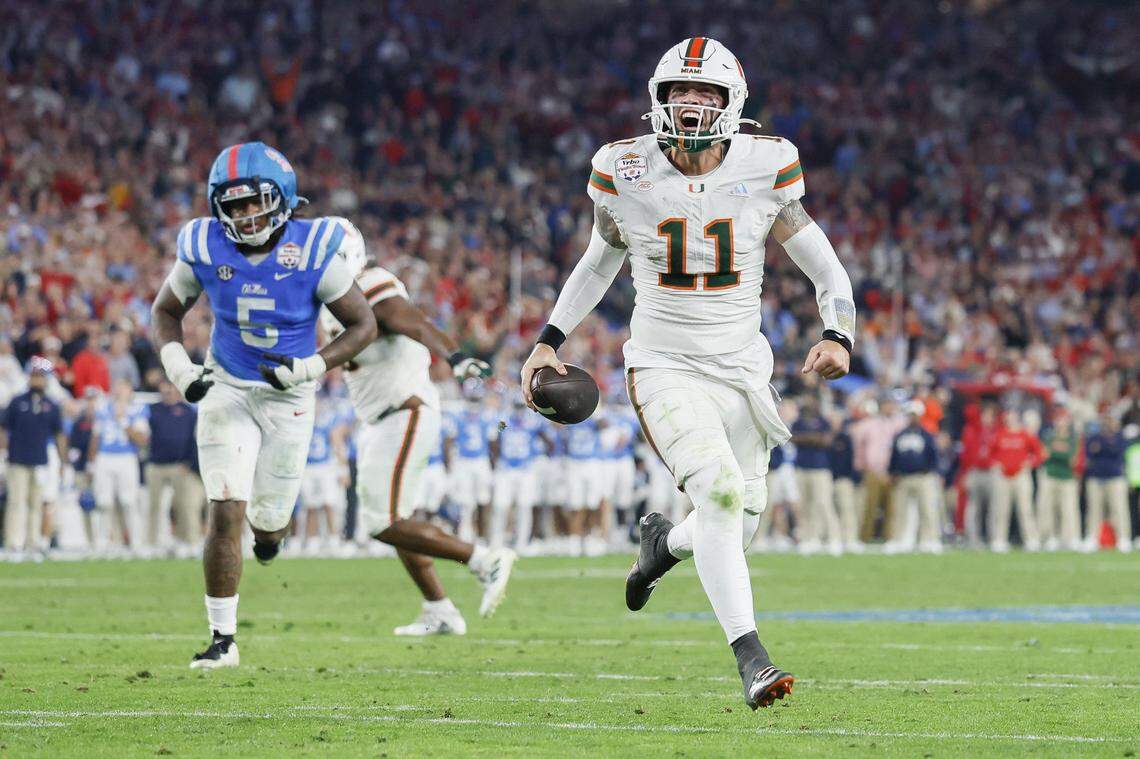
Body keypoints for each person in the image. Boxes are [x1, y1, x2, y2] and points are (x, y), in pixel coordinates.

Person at [519, 37, 855, 710]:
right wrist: (547, 341)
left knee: (741, 513)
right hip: (664, 363)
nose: (691, 104)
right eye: (679, 92)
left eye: (705, 93)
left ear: (732, 104)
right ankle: (752, 658)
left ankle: (661, 545)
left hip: (741, 369)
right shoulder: (624, 167)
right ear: (657, 99)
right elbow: (598, 259)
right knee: (723, 495)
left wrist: (837, 333)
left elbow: (822, 262)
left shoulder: (768, 165)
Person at [150, 142, 377, 668]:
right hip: (228, 386)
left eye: (255, 202)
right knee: (224, 507)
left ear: (282, 199)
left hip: (289, 395)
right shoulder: (204, 244)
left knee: (268, 525)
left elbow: (364, 324)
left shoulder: (317, 245)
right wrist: (179, 367)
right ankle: (222, 639)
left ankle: (270, 540)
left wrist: (312, 367)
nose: (245, 215)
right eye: (233, 206)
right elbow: (165, 310)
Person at [321, 224, 514, 637]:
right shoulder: (326, 301)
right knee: (396, 519)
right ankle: (439, 608)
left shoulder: (370, 282)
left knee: (382, 521)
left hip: (403, 411)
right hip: (380, 417)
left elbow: (410, 320)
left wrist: (456, 356)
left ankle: (483, 558)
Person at [1, 358, 67, 555]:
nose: (37, 380)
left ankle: (33, 541)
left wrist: (63, 461)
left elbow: (59, 435)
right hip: (17, 458)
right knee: (16, 501)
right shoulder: (17, 401)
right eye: (35, 376)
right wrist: (4, 451)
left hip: (40, 460)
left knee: (36, 503)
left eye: (41, 376)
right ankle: (14, 541)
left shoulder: (52, 405)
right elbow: (3, 429)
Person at [88, 379, 149, 553]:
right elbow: (95, 437)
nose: (121, 390)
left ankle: (136, 542)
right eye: (119, 386)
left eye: (125, 386)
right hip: (104, 457)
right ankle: (101, 542)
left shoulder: (138, 409)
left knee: (129, 501)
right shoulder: (103, 407)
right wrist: (91, 463)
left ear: (131, 390)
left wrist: (123, 420)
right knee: (103, 502)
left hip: (126, 457)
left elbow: (141, 439)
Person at [145, 380, 205, 554]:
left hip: (180, 466)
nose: (167, 389)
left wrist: (188, 462)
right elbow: (145, 434)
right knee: (154, 505)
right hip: (156, 464)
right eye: (164, 386)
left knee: (184, 505)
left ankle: (188, 542)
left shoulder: (188, 411)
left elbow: (193, 439)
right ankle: (151, 542)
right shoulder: (152, 409)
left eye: (170, 386)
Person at [886, 401, 941, 553]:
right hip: (903, 478)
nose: (912, 418)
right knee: (899, 510)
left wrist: (933, 472)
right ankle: (897, 539)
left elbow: (933, 457)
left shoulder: (927, 436)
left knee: (928, 510)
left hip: (923, 477)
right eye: (910, 415)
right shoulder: (900, 436)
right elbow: (894, 457)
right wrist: (892, 472)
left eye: (914, 415)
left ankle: (930, 539)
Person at [988, 409, 1045, 552]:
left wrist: (1030, 463)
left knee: (1025, 509)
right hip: (1003, 476)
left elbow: (1040, 453)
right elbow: (989, 453)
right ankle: (999, 539)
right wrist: (995, 463)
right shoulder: (999, 434)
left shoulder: (1025, 435)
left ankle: (1031, 539)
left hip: (1021, 475)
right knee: (1001, 509)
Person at [791, 395, 840, 555]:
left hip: (820, 469)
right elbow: (792, 438)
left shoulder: (823, 421)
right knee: (804, 505)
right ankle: (808, 539)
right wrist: (813, 438)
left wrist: (808, 439)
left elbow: (826, 441)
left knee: (824, 503)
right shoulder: (798, 422)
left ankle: (834, 539)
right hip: (802, 468)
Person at [852, 398, 905, 543]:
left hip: (892, 472)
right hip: (872, 470)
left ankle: (890, 538)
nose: (890, 408)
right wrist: (861, 466)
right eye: (887, 405)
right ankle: (863, 538)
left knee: (892, 508)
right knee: (869, 506)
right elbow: (859, 448)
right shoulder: (868, 424)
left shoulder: (899, 424)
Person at [1083, 414, 1130, 552]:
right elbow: (1090, 453)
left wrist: (1102, 448)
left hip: (1115, 477)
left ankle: (1123, 538)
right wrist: (1104, 448)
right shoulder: (1094, 438)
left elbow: (1116, 452)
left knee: (1119, 509)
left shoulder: (1120, 437)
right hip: (1096, 477)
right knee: (1094, 509)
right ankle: (1092, 537)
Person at [1036, 410, 1081, 551]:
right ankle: (1049, 537)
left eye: (1064, 420)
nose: (1061, 423)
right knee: (1047, 508)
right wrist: (1060, 454)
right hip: (1050, 475)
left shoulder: (1074, 439)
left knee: (1069, 509)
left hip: (1067, 477)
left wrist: (1055, 454)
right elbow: (1044, 454)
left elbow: (1072, 460)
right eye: (1059, 419)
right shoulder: (1048, 437)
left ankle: (1070, 538)